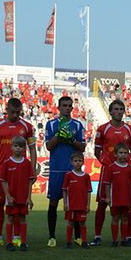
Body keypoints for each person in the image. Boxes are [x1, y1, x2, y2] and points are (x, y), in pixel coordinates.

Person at [0, 98, 38, 249]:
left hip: (20, 172)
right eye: (12, 112)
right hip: (2, 171)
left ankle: (16, 237)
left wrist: (33, 169)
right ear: (6, 109)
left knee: (18, 203)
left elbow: (32, 148)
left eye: (18, 112)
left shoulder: (27, 126)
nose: (15, 115)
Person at [91, 99, 131, 246]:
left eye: (121, 109)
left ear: (124, 111)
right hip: (108, 171)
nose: (118, 112)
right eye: (115, 109)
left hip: (124, 172)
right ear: (110, 111)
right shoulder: (103, 129)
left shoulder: (130, 129)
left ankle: (128, 237)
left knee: (127, 206)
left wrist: (125, 162)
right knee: (103, 204)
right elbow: (97, 150)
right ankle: (97, 236)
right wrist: (107, 164)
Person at [45, 96, 86, 247]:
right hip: (56, 169)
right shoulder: (51, 124)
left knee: (75, 203)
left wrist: (70, 139)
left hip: (72, 171)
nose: (67, 108)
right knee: (53, 202)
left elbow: (82, 147)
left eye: (69, 106)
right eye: (64, 105)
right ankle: (52, 237)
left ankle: (77, 237)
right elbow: (49, 146)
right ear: (58, 107)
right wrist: (59, 135)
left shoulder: (78, 125)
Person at [0, 136, 35, 251]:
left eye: (21, 146)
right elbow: (3, 181)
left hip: (23, 197)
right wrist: (8, 196)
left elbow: (30, 181)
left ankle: (23, 243)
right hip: (11, 197)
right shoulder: (7, 163)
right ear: (11, 147)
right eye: (16, 146)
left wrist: (29, 197)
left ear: (24, 148)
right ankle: (9, 243)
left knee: (22, 218)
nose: (18, 148)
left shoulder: (27, 163)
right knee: (10, 218)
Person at [102, 144, 131, 247]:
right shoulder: (111, 168)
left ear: (128, 155)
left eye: (125, 153)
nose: (123, 155)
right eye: (121, 153)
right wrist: (108, 197)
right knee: (115, 218)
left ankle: (124, 239)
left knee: (125, 218)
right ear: (115, 154)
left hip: (126, 198)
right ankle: (114, 240)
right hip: (115, 198)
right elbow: (107, 184)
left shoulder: (130, 169)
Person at [62, 152, 92, 249]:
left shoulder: (86, 176)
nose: (78, 163)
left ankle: (84, 241)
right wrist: (65, 203)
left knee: (82, 223)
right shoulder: (69, 175)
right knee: (70, 222)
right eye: (75, 161)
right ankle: (68, 242)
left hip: (82, 205)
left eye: (80, 161)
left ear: (83, 162)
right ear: (71, 162)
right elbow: (64, 190)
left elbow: (88, 192)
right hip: (71, 205)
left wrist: (88, 205)